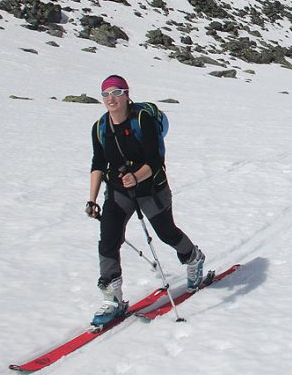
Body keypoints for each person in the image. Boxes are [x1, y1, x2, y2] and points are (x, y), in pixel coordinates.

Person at [85, 75, 205, 327]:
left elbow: (155, 160)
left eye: (116, 92)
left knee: (166, 233)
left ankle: (193, 257)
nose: (111, 98)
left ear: (127, 94)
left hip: (151, 188)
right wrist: (92, 198)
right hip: (118, 192)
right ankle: (113, 298)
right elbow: (98, 164)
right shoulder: (100, 127)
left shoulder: (143, 120)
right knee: (108, 240)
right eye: (106, 94)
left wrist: (136, 177)